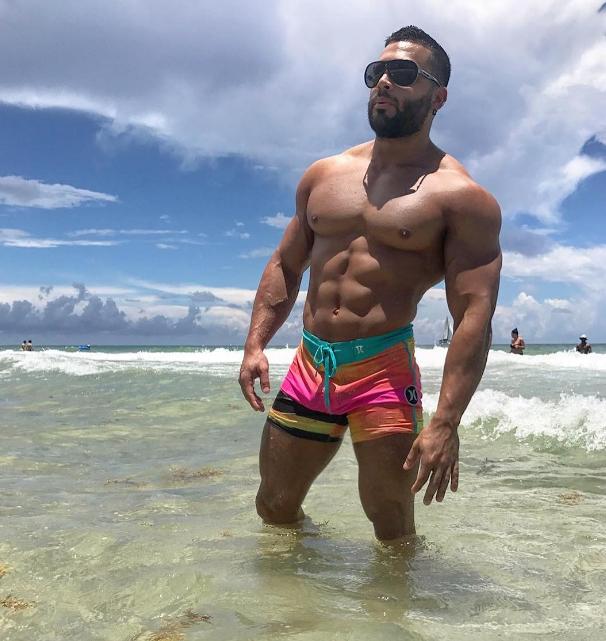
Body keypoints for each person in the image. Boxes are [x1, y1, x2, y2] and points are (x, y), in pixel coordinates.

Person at [239, 25, 502, 542]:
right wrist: (255, 345)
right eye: (376, 71)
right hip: (311, 363)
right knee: (273, 505)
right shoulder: (323, 175)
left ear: (438, 97)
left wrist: (446, 422)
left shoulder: (461, 197)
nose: (383, 81)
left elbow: (474, 312)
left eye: (402, 73)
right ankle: (299, 592)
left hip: (383, 369)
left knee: (391, 525)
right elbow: (286, 263)